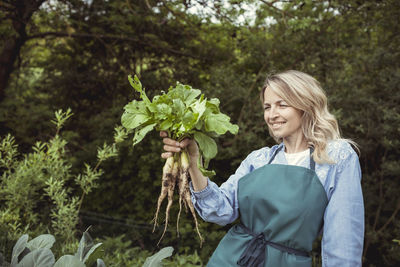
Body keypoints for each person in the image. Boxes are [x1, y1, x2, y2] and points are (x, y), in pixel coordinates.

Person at [160, 70, 364, 267]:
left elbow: (342, 242)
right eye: (267, 107)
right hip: (231, 259)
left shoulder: (336, 157)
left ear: (306, 105)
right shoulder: (259, 159)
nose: (272, 115)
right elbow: (219, 210)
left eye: (282, 105)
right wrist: (194, 162)